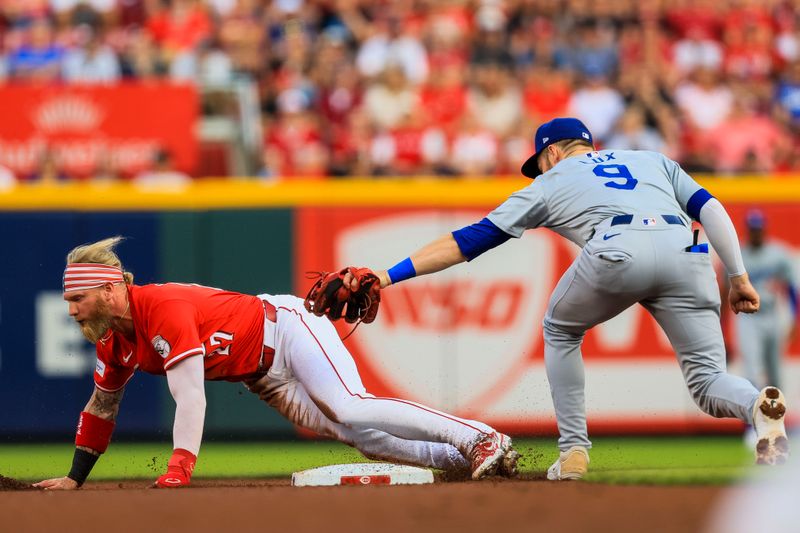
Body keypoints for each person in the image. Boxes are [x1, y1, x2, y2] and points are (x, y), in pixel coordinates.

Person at [339, 117, 789, 480]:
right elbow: (709, 208)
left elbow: (467, 241)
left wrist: (388, 273)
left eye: (540, 162)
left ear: (552, 153)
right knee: (709, 385)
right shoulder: (652, 159)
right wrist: (738, 275)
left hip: (617, 247)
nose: (541, 171)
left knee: (560, 328)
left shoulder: (550, 182)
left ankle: (574, 451)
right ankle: (756, 406)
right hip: (685, 251)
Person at [33, 237, 517, 490]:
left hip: (283, 328)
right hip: (262, 375)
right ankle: (465, 462)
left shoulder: (160, 307)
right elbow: (101, 407)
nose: (71, 309)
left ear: (111, 288)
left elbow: (189, 396)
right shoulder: (113, 343)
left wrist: (180, 466)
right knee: (361, 437)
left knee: (349, 406)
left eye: (78, 297)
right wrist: (76, 477)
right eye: (68, 300)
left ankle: (479, 438)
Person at [735, 210, 798, 391]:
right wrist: (722, 326)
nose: (756, 232)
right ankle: (750, 418)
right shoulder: (738, 254)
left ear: (764, 229)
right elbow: (725, 291)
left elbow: (791, 288)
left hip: (771, 315)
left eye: (759, 228)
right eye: (753, 229)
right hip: (747, 318)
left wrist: (795, 319)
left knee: (775, 371)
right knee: (751, 370)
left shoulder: (778, 253)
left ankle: (776, 417)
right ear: (747, 230)